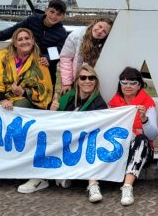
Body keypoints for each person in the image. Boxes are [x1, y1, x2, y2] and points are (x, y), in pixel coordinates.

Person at [16, 63, 109, 200]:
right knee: (40, 133)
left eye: (91, 78)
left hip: (81, 144)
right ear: (77, 81)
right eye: (83, 78)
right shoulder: (68, 97)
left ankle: (62, 175)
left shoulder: (99, 104)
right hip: (62, 139)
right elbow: (56, 121)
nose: (87, 81)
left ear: (96, 82)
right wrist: (53, 111)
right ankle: (40, 177)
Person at [0, 0, 68, 91]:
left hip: (46, 67)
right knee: (22, 89)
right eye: (52, 12)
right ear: (46, 10)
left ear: (63, 17)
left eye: (58, 14)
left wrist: (47, 58)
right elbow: (16, 29)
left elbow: (57, 51)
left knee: (46, 92)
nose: (54, 16)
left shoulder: (62, 33)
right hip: (26, 62)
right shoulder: (33, 19)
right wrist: (0, 35)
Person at [107, 67, 158, 206]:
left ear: (139, 85)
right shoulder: (113, 103)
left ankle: (127, 186)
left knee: (141, 140)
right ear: (120, 84)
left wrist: (144, 120)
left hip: (142, 150)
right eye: (124, 82)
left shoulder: (147, 104)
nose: (128, 86)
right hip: (120, 147)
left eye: (132, 83)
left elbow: (152, 135)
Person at [0, 28, 53, 110]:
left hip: (21, 98)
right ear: (15, 43)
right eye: (20, 39)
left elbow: (44, 92)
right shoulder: (3, 57)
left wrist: (23, 92)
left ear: (32, 41)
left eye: (27, 38)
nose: (24, 42)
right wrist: (2, 100)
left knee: (20, 105)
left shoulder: (40, 63)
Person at [59, 17, 113, 94]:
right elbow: (66, 59)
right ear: (94, 23)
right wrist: (67, 82)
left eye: (104, 31)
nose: (100, 31)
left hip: (91, 81)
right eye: (100, 26)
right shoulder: (76, 36)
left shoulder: (105, 45)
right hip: (74, 79)